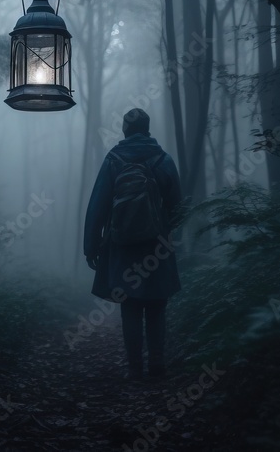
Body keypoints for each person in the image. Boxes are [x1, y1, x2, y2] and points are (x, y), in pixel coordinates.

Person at [83, 107, 182, 380]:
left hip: (122, 246)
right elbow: (178, 207)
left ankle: (135, 368)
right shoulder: (163, 160)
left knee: (130, 306)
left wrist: (91, 247)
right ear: (148, 130)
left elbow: (98, 207)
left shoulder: (113, 160)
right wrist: (164, 228)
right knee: (156, 305)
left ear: (125, 131)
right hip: (157, 246)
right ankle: (157, 363)